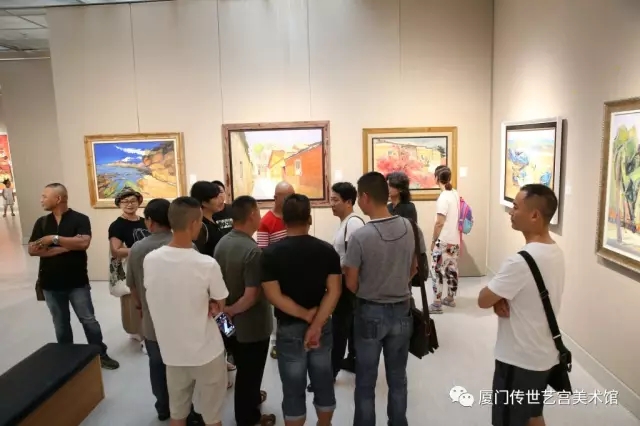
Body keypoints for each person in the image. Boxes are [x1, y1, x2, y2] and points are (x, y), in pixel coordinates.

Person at [477, 184, 565, 426]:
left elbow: (483, 299)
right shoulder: (555, 252)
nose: (510, 212)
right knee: (533, 415)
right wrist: (501, 298)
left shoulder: (520, 262)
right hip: (543, 355)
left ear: (534, 215)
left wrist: (497, 298)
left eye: (515, 207)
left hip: (519, 360)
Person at [344, 171, 424, 426]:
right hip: (402, 312)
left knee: (365, 381)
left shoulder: (360, 236)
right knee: (398, 379)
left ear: (366, 197)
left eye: (359, 197)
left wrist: (372, 288)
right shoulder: (411, 228)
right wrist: (397, 283)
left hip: (369, 312)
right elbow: (415, 268)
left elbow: (351, 282)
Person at [144, 196, 229, 426]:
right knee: (212, 417)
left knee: (178, 413)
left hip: (172, 353)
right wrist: (211, 304)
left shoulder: (150, 260)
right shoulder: (207, 264)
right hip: (206, 352)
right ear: (194, 223)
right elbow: (220, 304)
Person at [261, 194, 342, 426]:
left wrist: (304, 315)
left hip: (288, 328)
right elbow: (334, 291)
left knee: (293, 387)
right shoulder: (327, 251)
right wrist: (315, 324)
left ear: (284, 221)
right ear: (309, 219)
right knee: (323, 380)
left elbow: (274, 295)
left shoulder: (270, 254)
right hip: (322, 326)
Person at [28, 183, 119, 369]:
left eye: (45, 196)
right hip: (50, 283)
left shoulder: (80, 219)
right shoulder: (42, 222)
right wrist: (66, 247)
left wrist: (52, 240)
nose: (41, 200)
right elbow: (33, 249)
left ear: (58, 199)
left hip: (77, 282)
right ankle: (67, 358)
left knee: (89, 320)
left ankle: (99, 354)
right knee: (61, 324)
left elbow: (83, 243)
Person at [214, 196, 276, 426]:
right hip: (251, 326)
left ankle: (251, 399)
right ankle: (248, 418)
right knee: (250, 372)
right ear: (252, 215)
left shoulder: (222, 243)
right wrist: (231, 310)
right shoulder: (253, 251)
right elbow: (250, 297)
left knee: (241, 364)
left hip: (225, 322)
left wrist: (224, 312)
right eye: (258, 212)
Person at [126, 198, 172, 421]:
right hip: (181, 319)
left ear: (150, 221)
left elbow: (133, 286)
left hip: (152, 318)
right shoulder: (185, 245)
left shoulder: (138, 248)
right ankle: (185, 407)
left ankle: (163, 406)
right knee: (181, 364)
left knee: (157, 362)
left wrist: (139, 306)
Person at [329, 182, 365, 376]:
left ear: (349, 202)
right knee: (348, 325)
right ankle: (352, 360)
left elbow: (353, 260)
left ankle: (332, 371)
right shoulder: (345, 222)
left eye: (335, 200)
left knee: (339, 327)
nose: (332, 204)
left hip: (348, 283)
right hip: (343, 281)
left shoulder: (353, 223)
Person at [257, 180, 294, 359]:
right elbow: (263, 252)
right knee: (276, 310)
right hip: (276, 276)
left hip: (292, 274)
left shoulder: (293, 217)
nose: (290, 201)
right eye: (287, 197)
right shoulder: (266, 221)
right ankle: (275, 344)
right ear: (275, 198)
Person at [108, 187, 150, 346]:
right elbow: (116, 250)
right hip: (131, 269)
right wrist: (140, 250)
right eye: (125, 201)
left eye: (132, 201)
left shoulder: (144, 221)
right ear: (119, 204)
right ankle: (139, 333)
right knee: (133, 302)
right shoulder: (117, 225)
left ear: (139, 202)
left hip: (148, 267)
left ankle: (147, 332)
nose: (129, 204)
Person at [428, 166, 461, 314]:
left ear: (436, 178)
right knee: (451, 269)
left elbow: (439, 223)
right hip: (455, 240)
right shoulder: (455, 193)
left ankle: (436, 304)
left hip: (443, 241)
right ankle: (450, 298)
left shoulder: (443, 198)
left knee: (436, 270)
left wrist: (433, 240)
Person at [190, 180, 225, 257]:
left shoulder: (214, 218)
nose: (220, 200)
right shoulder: (201, 226)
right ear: (204, 202)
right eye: (215, 197)